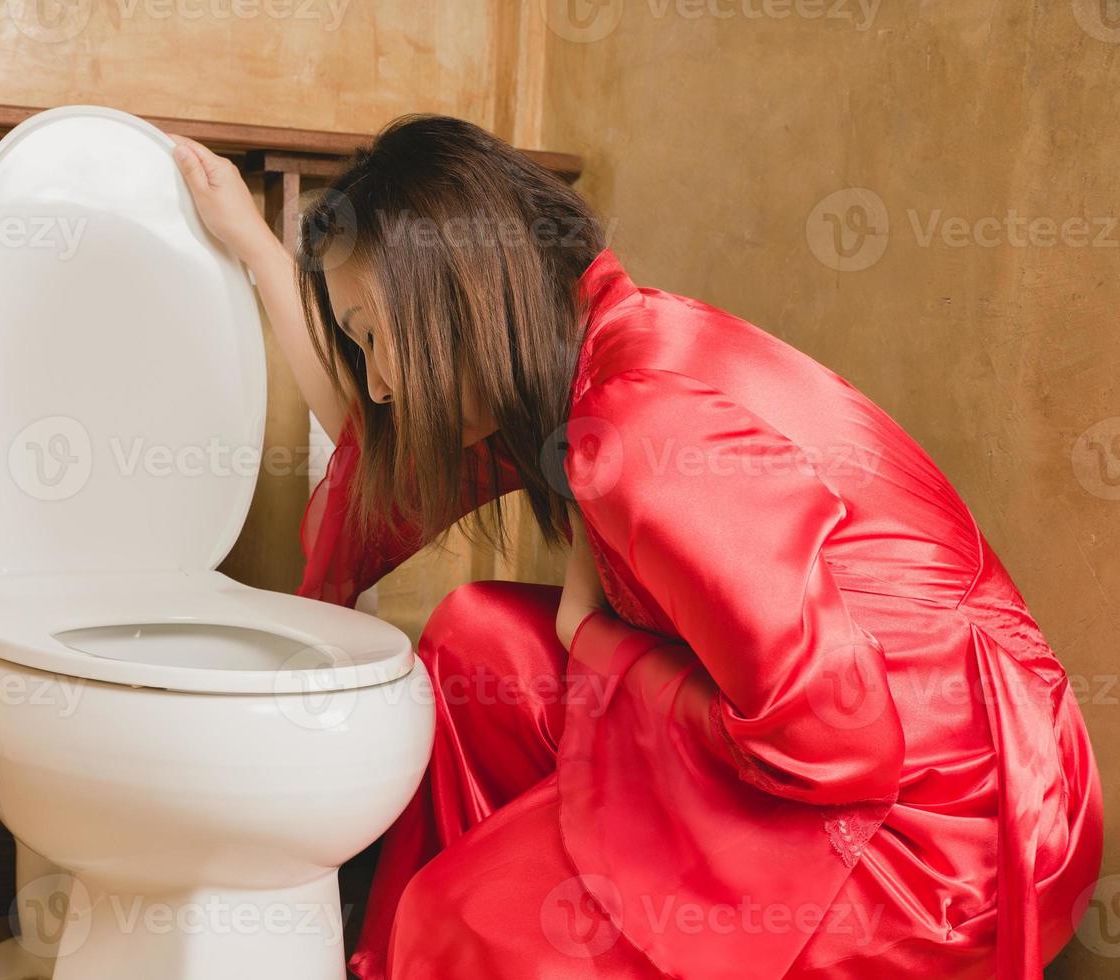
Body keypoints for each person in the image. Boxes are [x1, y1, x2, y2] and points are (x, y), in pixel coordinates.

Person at [172, 115, 1102, 979]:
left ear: (454, 293)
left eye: (376, 338)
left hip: (938, 812)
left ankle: (471, 939)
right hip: (830, 713)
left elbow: (833, 751)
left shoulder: (637, 428)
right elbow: (381, 466)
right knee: (472, 637)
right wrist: (257, 250)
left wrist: (594, 635)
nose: (375, 386)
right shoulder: (564, 352)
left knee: (452, 918)